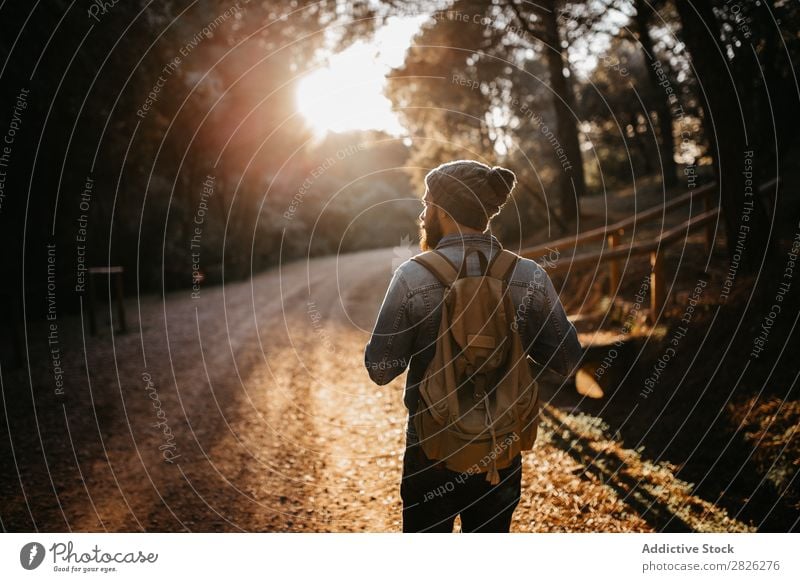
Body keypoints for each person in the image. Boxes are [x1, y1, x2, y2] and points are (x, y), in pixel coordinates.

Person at [364, 160, 583, 532]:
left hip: (431, 446)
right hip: (501, 447)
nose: (423, 213)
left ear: (443, 210)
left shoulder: (414, 275)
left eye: (427, 203)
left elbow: (381, 370)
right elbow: (565, 360)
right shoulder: (528, 275)